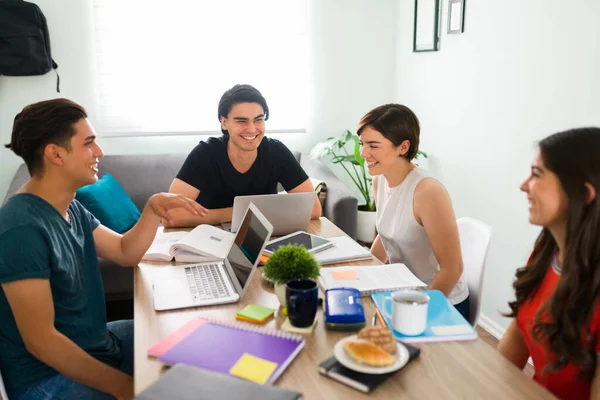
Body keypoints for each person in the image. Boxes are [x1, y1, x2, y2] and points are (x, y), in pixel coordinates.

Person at [0, 99, 205, 400]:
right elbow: (42, 342)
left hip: (98, 344)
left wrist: (152, 210)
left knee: (193, 339)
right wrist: (122, 387)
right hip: (47, 379)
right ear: (55, 154)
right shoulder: (21, 228)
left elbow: (125, 251)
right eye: (88, 144)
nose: (100, 152)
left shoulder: (70, 206)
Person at [498, 128, 600, 400]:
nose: (523, 185)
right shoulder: (547, 251)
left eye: (537, 174)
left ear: (583, 193)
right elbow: (520, 333)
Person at [358, 104, 470, 320]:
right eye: (362, 144)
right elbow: (387, 232)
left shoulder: (427, 191)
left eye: (373, 145)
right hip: (404, 292)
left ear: (403, 147)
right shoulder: (379, 180)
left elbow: (452, 268)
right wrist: (365, 273)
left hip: (440, 301)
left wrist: (418, 315)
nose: (364, 153)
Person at [166, 84, 321, 227]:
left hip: (259, 241)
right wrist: (238, 213)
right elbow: (169, 216)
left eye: (258, 120)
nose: (252, 129)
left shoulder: (276, 152)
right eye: (242, 121)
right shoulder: (205, 153)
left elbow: (313, 209)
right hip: (209, 238)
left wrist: (247, 215)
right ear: (224, 122)